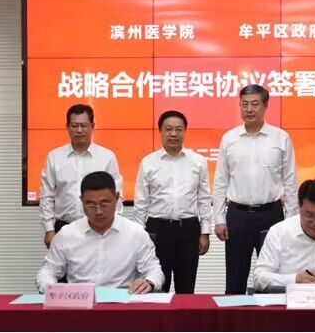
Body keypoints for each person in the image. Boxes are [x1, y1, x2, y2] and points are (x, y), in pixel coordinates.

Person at [213, 84, 298, 294]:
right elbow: (221, 181)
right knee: (235, 276)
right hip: (238, 215)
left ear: (265, 106)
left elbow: (290, 182)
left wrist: (291, 220)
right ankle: (233, 314)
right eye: (244, 104)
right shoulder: (229, 138)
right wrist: (219, 219)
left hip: (271, 214)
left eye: (255, 104)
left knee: (274, 277)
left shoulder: (281, 138)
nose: (249, 109)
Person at [36, 171, 164, 294]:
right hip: (80, 302)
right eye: (91, 205)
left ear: (117, 198)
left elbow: (154, 270)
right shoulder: (67, 234)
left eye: (105, 204)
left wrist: (149, 282)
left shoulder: (135, 233)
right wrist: (52, 289)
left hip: (123, 301)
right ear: (82, 201)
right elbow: (47, 272)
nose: (98, 211)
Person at [134, 110, 212, 293]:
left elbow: (203, 199)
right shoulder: (148, 162)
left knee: (186, 288)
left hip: (188, 229)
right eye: (168, 129)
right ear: (160, 131)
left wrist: (205, 233)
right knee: (157, 287)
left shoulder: (198, 161)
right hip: (157, 230)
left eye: (178, 129)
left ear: (185, 131)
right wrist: (139, 236)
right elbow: (141, 203)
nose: (174, 134)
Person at [39, 104, 123, 249]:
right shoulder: (54, 157)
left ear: (92, 126)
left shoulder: (107, 157)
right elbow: (46, 196)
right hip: (64, 228)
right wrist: (49, 230)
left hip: (98, 228)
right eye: (74, 125)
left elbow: (117, 195)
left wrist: (115, 227)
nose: (79, 130)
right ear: (67, 127)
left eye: (84, 125)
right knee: (62, 264)